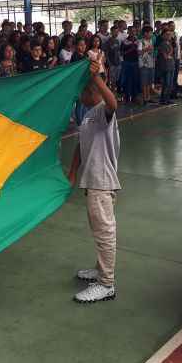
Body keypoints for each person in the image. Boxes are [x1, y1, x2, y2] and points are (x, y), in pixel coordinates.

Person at [68, 60, 120, 303]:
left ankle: (106, 284)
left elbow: (113, 103)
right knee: (98, 229)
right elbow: (81, 145)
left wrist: (98, 76)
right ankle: (100, 271)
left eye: (83, 91)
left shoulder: (101, 112)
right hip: (91, 180)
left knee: (104, 231)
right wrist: (72, 171)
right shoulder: (88, 116)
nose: (79, 96)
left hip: (102, 180)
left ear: (92, 92)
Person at [120, 27, 140, 104]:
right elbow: (121, 53)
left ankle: (134, 97)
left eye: (134, 31)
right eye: (131, 31)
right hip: (127, 63)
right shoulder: (124, 41)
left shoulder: (138, 41)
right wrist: (130, 50)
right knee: (127, 80)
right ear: (128, 32)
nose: (132, 32)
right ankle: (127, 97)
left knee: (135, 80)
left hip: (136, 62)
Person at [157, 29, 177, 106]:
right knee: (166, 83)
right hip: (165, 66)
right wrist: (170, 51)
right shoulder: (162, 44)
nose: (169, 36)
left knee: (170, 84)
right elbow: (166, 56)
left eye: (170, 34)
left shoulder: (170, 43)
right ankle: (164, 99)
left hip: (171, 65)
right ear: (163, 36)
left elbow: (171, 55)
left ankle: (167, 99)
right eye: (167, 34)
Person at [138, 26, 155, 103]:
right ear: (145, 33)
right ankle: (145, 98)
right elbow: (139, 52)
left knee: (149, 82)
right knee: (144, 82)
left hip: (150, 63)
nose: (151, 34)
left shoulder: (150, 41)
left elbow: (151, 52)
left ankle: (148, 97)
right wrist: (147, 49)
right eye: (150, 33)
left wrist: (150, 51)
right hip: (143, 65)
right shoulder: (140, 41)